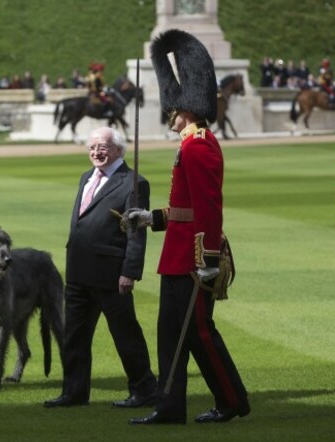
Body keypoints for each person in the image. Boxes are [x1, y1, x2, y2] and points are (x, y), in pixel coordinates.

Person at [125, 29, 250, 425]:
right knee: (171, 333)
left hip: (195, 257)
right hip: (179, 253)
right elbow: (185, 209)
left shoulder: (198, 146)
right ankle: (170, 406)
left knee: (198, 331)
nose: (171, 117)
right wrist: (151, 219)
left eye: (174, 111)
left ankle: (232, 399)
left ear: (189, 110)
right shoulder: (190, 145)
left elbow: (209, 208)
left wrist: (209, 257)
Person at [43, 127, 157, 409]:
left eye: (103, 147)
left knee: (125, 335)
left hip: (110, 273)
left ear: (118, 149)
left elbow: (135, 231)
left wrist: (130, 271)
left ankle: (144, 390)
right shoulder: (86, 177)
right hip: (79, 271)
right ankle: (74, 392)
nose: (96, 152)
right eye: (92, 147)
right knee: (75, 337)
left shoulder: (134, 182)